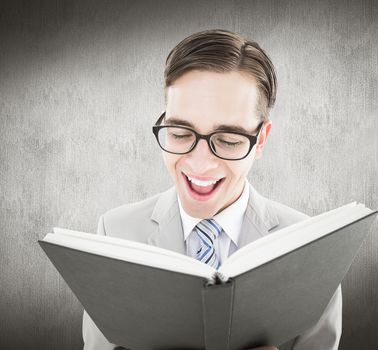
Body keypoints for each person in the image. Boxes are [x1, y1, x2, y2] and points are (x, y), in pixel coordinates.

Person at [82, 29, 342, 350]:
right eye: (179, 133)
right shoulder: (114, 235)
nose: (200, 164)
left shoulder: (318, 250)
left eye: (229, 140)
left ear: (260, 140)